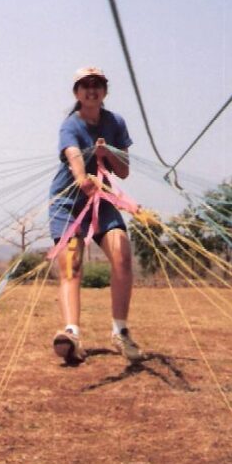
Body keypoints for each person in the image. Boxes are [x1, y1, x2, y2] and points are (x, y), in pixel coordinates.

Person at [48, 66, 142, 364]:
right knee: (71, 264)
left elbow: (123, 170)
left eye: (97, 84)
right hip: (68, 204)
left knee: (122, 255)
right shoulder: (70, 126)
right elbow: (75, 161)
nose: (92, 89)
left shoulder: (116, 123)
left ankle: (120, 332)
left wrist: (107, 153)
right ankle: (72, 333)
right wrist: (82, 176)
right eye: (85, 85)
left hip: (102, 200)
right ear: (77, 93)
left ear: (105, 91)